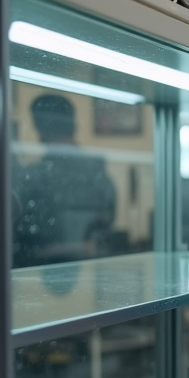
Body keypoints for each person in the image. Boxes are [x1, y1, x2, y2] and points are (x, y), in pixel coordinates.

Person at [13, 94, 117, 267]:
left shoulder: (33, 177)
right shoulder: (99, 175)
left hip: (38, 270)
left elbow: (19, 236)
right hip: (91, 272)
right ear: (73, 125)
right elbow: (105, 230)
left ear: (39, 128)